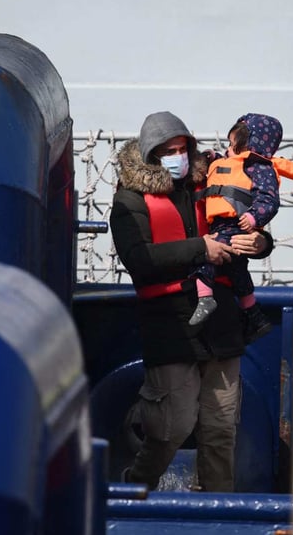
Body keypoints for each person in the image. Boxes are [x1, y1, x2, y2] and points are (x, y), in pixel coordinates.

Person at [109, 111, 273, 492]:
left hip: (222, 324)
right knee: (171, 425)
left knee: (221, 427)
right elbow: (140, 260)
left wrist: (261, 243)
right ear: (151, 155)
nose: (179, 157)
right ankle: (136, 487)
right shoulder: (129, 201)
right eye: (169, 151)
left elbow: (248, 225)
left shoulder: (213, 181)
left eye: (183, 149)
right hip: (171, 326)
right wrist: (202, 248)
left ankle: (219, 506)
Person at [189, 113, 293, 342]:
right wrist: (213, 157)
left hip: (232, 227)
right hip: (222, 227)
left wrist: (256, 224)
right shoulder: (219, 164)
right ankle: (255, 316)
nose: (228, 149)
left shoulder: (258, 167)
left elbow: (268, 199)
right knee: (239, 274)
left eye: (234, 145)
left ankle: (205, 299)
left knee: (208, 259)